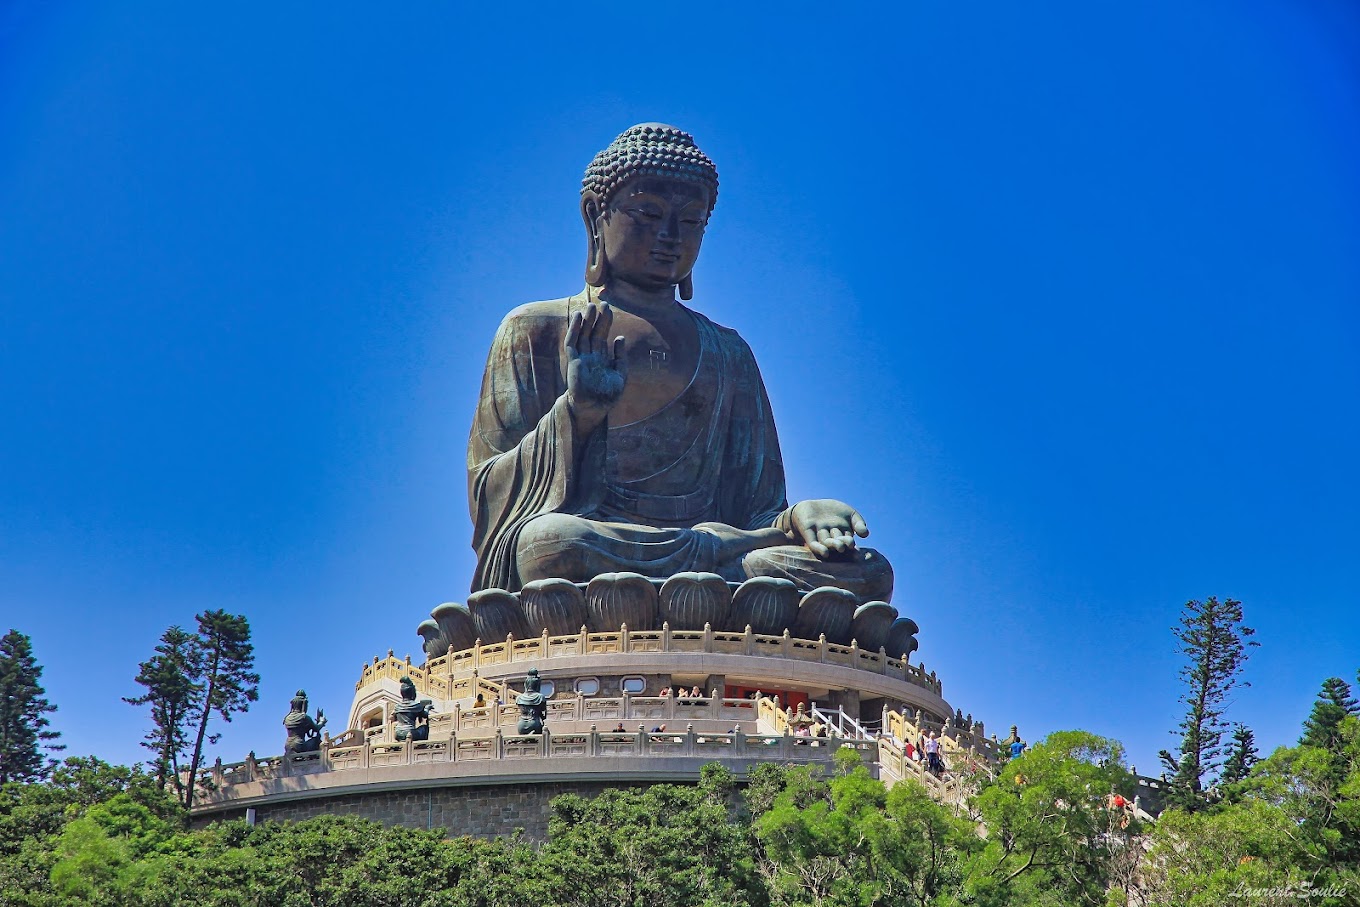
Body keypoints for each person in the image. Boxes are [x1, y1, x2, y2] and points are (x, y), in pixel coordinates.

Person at [467, 124, 892, 602]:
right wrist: (577, 413)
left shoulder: (729, 353)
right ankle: (711, 575)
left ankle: (714, 572)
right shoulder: (536, 329)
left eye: (691, 222)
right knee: (548, 545)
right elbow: (489, 495)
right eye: (648, 214)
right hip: (592, 543)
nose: (670, 236)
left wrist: (795, 519)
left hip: (724, 551)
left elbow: (757, 511)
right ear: (594, 216)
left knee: (868, 571)